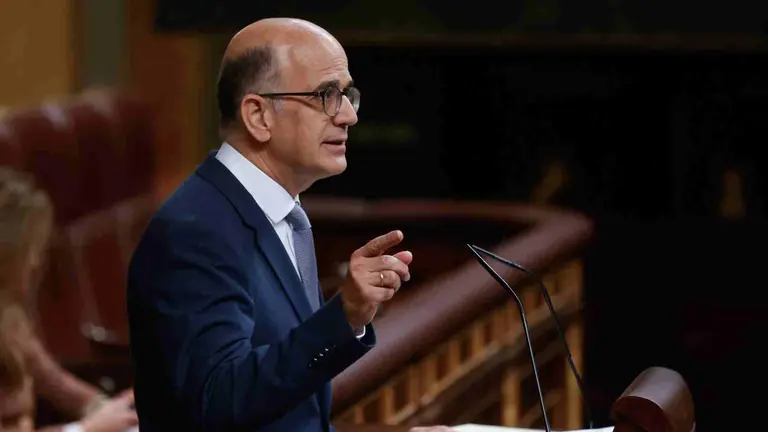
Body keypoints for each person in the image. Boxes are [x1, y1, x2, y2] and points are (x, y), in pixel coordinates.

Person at [126, 17, 457, 432]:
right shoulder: (195, 231)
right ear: (258, 115)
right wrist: (342, 317)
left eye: (348, 95)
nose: (349, 115)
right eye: (327, 95)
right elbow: (215, 404)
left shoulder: (283, 215)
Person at [0, 167, 138, 432]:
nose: (35, 262)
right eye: (30, 249)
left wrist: (111, 407)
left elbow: (57, 384)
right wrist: (85, 428)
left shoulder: (11, 318)